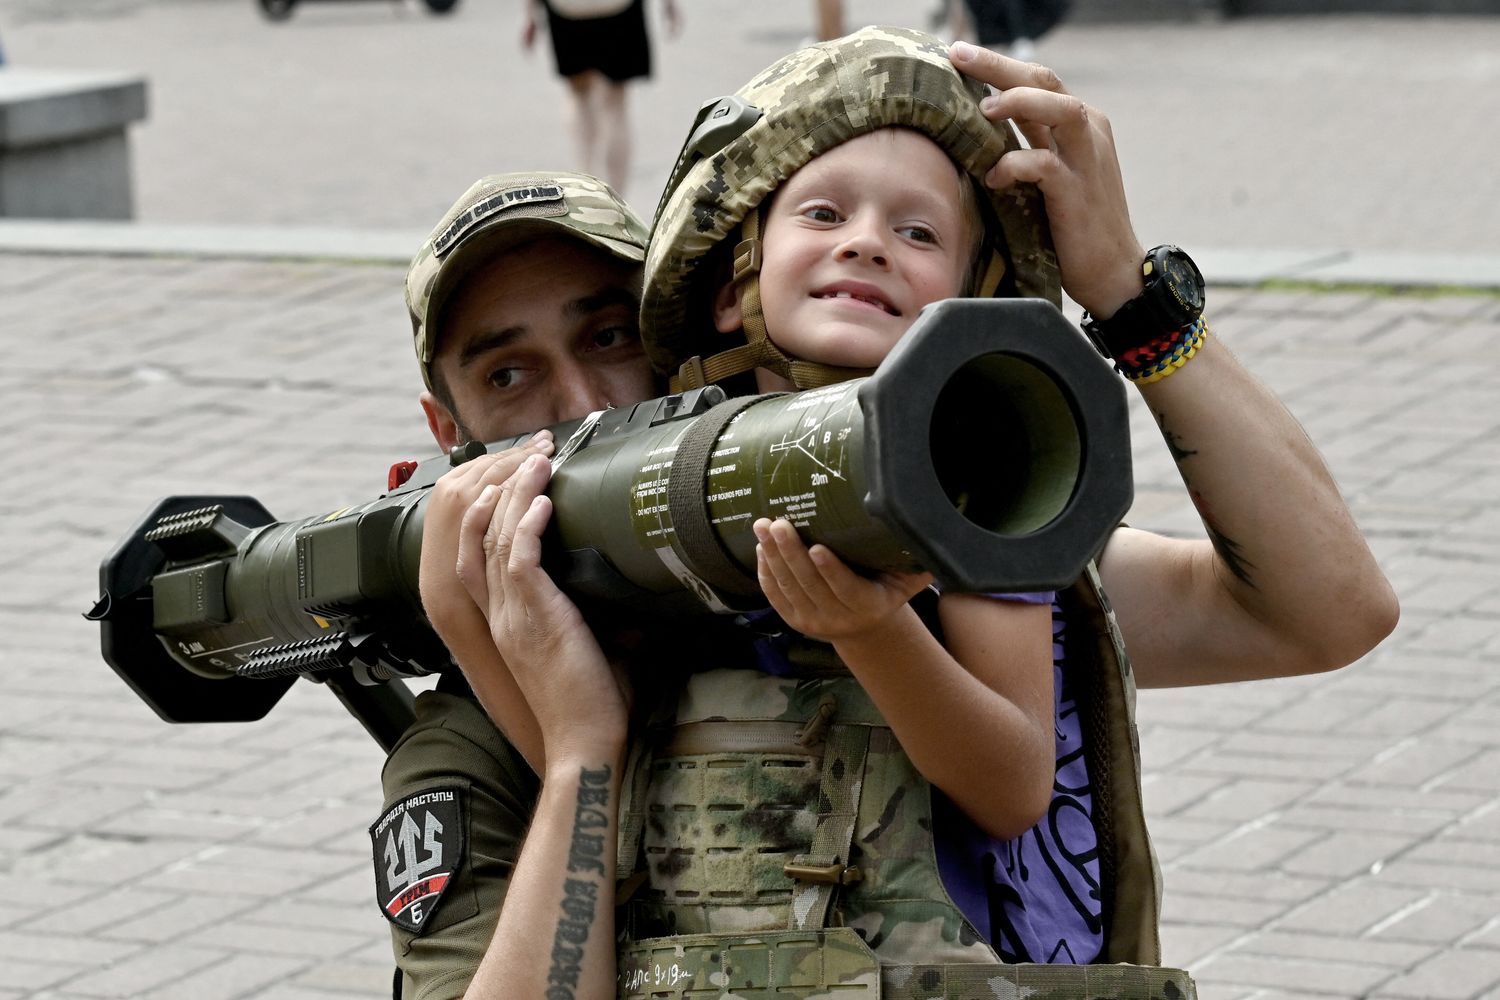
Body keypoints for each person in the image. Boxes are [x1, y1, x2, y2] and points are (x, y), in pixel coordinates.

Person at [522, 0, 680, 196]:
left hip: (567, 8)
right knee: (616, 105)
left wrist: (530, 13)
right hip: (617, 7)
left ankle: (587, 186)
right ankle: (618, 198)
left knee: (579, 97)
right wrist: (669, 5)